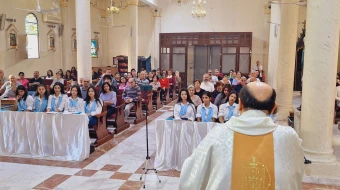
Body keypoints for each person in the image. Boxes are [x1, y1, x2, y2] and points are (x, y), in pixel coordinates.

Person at [179, 82, 305, 190]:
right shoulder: (289, 138)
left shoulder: (217, 135)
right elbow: (296, 176)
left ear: (240, 105)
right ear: (273, 108)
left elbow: (190, 177)